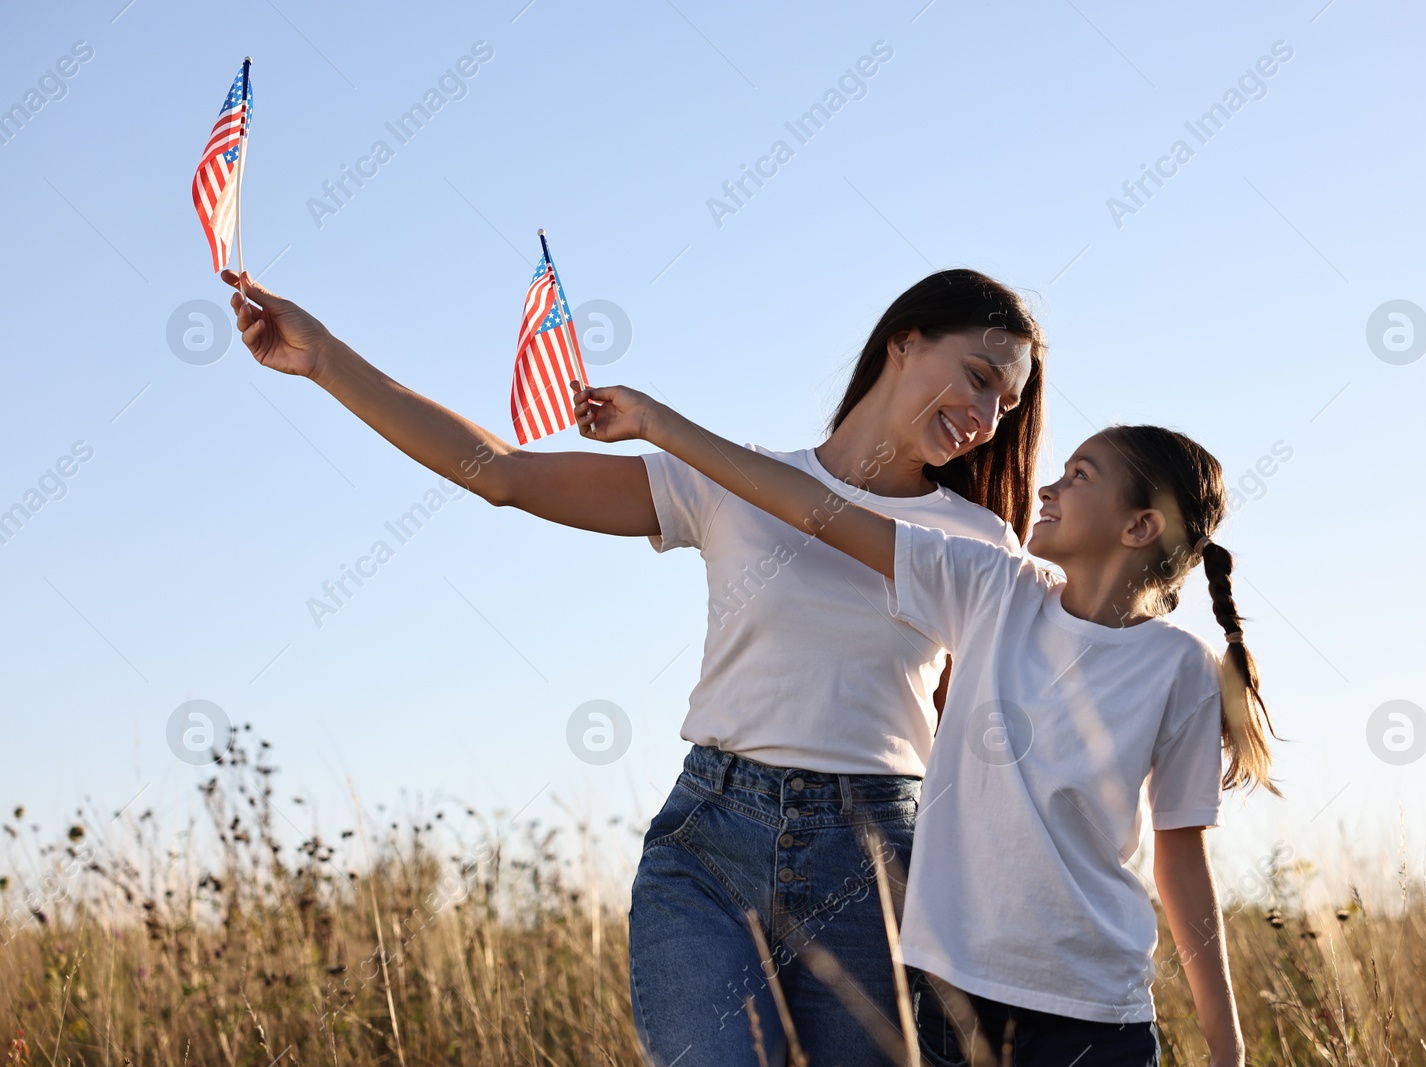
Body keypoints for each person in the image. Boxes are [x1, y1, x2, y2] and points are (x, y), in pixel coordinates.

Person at [220, 266, 1047, 1066]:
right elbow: (503, 476)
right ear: (904, 342)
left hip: (873, 862)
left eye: (1003, 404)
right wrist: (325, 358)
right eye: (976, 377)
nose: (983, 415)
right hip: (712, 842)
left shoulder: (980, 545)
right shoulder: (728, 480)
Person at [572, 382, 1281, 1067]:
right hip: (953, 1000)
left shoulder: (1184, 667)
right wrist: (662, 426)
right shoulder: (991, 588)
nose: (1049, 488)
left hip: (1099, 1016)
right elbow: (818, 508)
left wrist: (1227, 1045)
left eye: (1080, 476)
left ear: (1138, 526)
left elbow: (1181, 858)